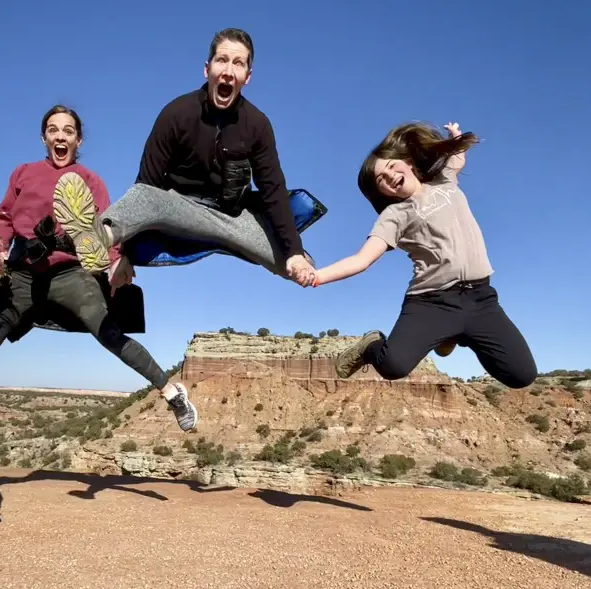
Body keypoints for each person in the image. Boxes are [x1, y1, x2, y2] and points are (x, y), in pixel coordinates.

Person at [0, 106, 199, 432]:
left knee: (109, 333)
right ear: (45, 137)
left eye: (68, 131)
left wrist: (116, 259)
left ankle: (172, 392)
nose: (60, 136)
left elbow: (106, 224)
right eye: (53, 130)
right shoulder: (24, 174)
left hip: (70, 273)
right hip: (23, 272)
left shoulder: (90, 181)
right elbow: (3, 217)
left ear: (78, 139)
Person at [51, 28, 318, 288]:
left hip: (233, 217)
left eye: (238, 64)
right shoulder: (176, 113)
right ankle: (100, 237)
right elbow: (146, 185)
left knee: (299, 265)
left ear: (247, 76)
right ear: (207, 68)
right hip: (181, 208)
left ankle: (312, 270)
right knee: (146, 194)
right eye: (222, 60)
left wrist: (294, 251)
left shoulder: (258, 125)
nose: (228, 71)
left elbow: (273, 190)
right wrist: (124, 255)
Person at [310, 122, 537, 389]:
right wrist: (317, 276)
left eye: (392, 166)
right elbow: (363, 259)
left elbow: (457, 159)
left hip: (480, 299)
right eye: (381, 179)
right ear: (380, 192)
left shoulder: (444, 180)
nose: (390, 176)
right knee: (393, 366)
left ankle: (456, 335)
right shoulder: (393, 216)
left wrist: (456, 137)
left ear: (408, 162)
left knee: (522, 375)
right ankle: (372, 346)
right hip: (432, 302)